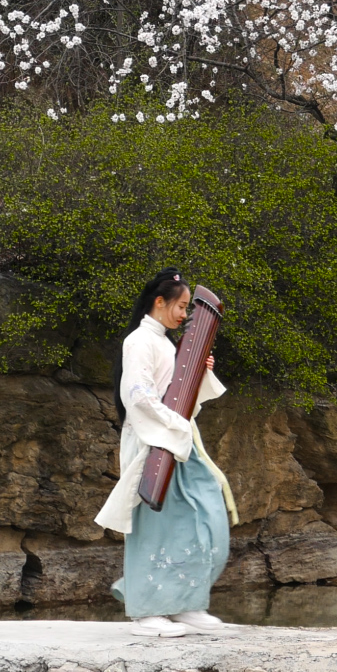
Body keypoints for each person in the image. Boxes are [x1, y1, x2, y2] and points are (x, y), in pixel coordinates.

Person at [94, 268, 240, 637]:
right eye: (181, 306)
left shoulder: (166, 343)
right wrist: (173, 424)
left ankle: (187, 603)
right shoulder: (139, 341)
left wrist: (200, 374)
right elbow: (138, 396)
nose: (185, 315)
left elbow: (181, 396)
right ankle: (146, 612)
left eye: (189, 308)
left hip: (177, 438)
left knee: (202, 517)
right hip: (153, 441)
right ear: (160, 302)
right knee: (154, 527)